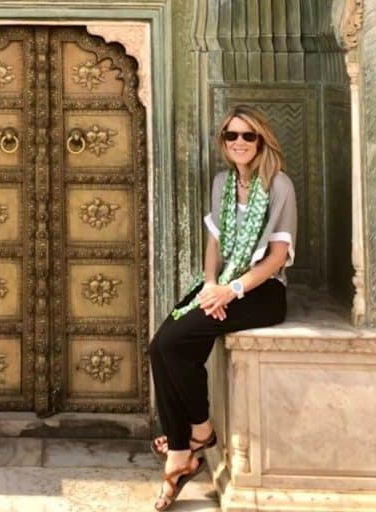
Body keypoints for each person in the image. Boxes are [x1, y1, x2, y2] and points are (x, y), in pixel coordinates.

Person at [149, 105, 297, 510]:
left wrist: (231, 291)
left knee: (177, 341)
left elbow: (276, 258)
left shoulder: (279, 185)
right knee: (162, 345)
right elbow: (213, 244)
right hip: (223, 282)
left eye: (248, 136)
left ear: (262, 140)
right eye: (232, 136)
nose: (239, 143)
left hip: (261, 290)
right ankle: (196, 435)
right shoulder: (223, 184)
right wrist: (210, 285)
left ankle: (185, 448)